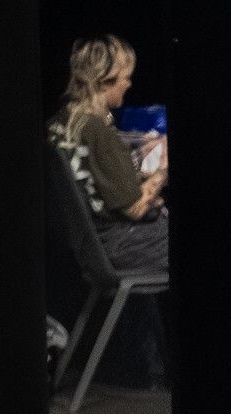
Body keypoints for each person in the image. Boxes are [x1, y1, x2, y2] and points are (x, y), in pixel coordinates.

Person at [49, 35, 169, 274]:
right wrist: (163, 170)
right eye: (126, 78)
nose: (129, 84)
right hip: (120, 244)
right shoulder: (97, 131)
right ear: (106, 80)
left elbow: (94, 171)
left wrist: (136, 151)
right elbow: (135, 208)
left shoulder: (64, 121)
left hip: (90, 243)